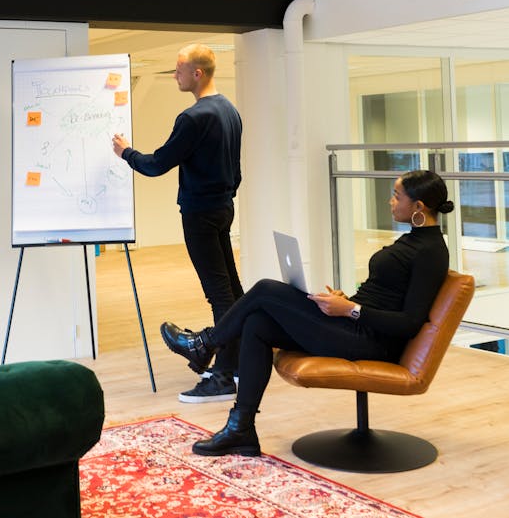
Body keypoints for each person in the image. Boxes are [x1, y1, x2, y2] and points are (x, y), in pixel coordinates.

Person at [160, 170, 455, 456]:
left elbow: (409, 323)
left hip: (372, 341)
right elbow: (385, 296)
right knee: (257, 322)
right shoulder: (413, 239)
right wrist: (344, 301)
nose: (390, 201)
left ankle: (205, 344)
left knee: (265, 289)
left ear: (418, 206)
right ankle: (241, 429)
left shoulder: (431, 251)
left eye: (396, 196)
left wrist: (351, 310)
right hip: (353, 327)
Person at [112, 43, 243, 403]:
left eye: (179, 70)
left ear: (197, 73)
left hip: (200, 214)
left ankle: (222, 377)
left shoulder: (194, 117)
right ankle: (235, 363)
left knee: (220, 293)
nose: (175, 75)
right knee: (230, 288)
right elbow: (237, 172)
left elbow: (156, 164)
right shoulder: (230, 111)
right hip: (223, 208)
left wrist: (127, 153)